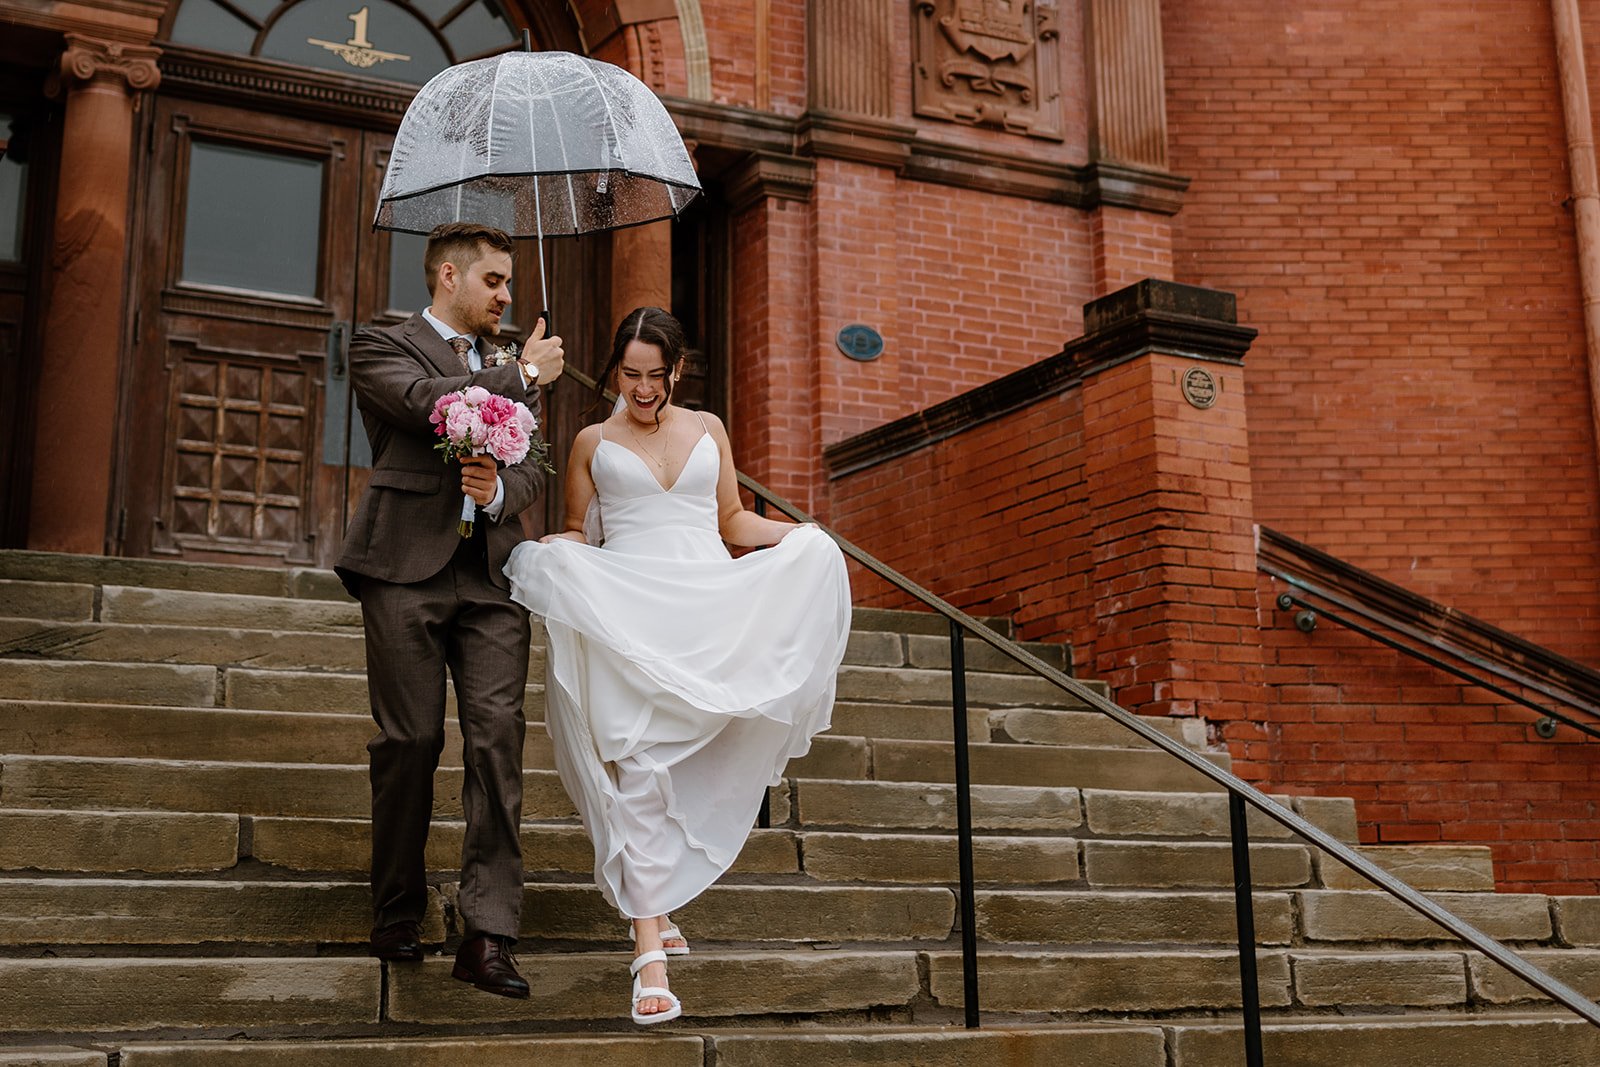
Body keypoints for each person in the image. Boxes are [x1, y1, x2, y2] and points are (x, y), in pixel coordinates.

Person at [504, 307, 850, 1025]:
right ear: (613, 372)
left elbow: (731, 522)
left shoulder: (710, 428)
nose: (642, 389)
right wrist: (565, 562)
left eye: (655, 376)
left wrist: (802, 535)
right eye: (629, 375)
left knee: (691, 757)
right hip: (631, 614)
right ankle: (647, 954)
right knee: (634, 764)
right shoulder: (592, 442)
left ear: (676, 371)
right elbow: (575, 530)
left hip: (705, 613)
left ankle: (658, 905)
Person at [334, 221, 564, 999]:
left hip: (492, 578)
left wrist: (498, 490)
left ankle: (489, 932)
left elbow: (534, 463)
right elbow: (424, 404)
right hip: (403, 566)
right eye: (494, 281)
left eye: (507, 281)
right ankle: (397, 909)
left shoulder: (506, 363)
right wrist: (524, 376)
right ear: (448, 278)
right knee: (411, 738)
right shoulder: (379, 344)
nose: (506, 295)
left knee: (498, 741)